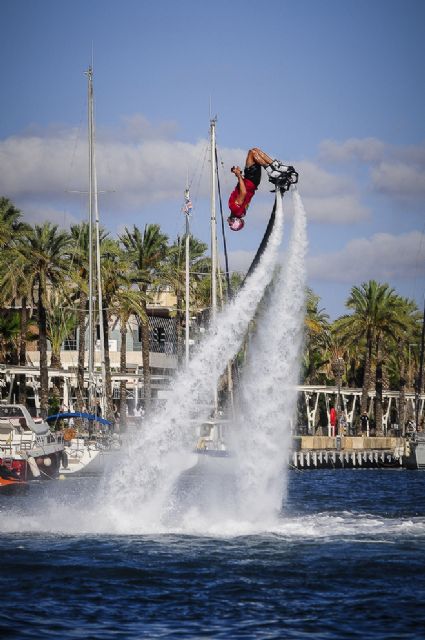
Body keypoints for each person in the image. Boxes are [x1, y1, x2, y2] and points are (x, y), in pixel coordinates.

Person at [227, 148, 290, 231]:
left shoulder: (241, 213)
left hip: (251, 181)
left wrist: (238, 174)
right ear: (235, 220)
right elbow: (243, 192)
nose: (228, 222)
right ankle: (273, 169)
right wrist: (239, 176)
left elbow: (242, 192)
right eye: (231, 223)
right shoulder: (235, 209)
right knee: (252, 153)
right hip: (250, 179)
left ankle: (276, 167)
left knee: (254, 151)